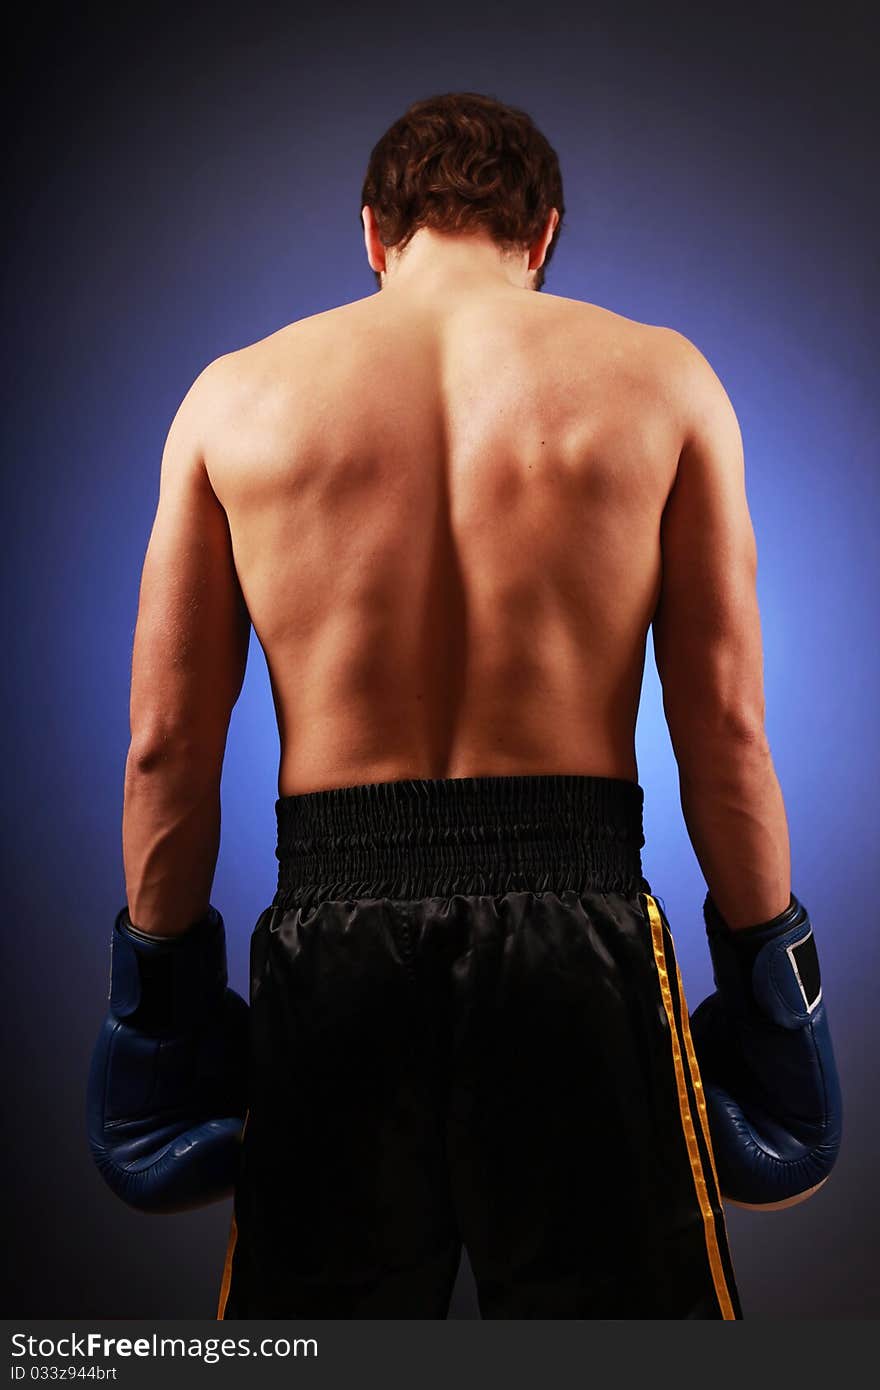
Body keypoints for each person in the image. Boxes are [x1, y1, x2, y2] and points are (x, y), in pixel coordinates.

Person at [87, 91, 842, 1319]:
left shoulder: (231, 400)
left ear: (373, 235)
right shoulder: (663, 382)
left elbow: (167, 748)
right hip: (579, 938)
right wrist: (772, 985)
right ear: (542, 234)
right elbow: (725, 728)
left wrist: (158, 1010)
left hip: (330, 943)